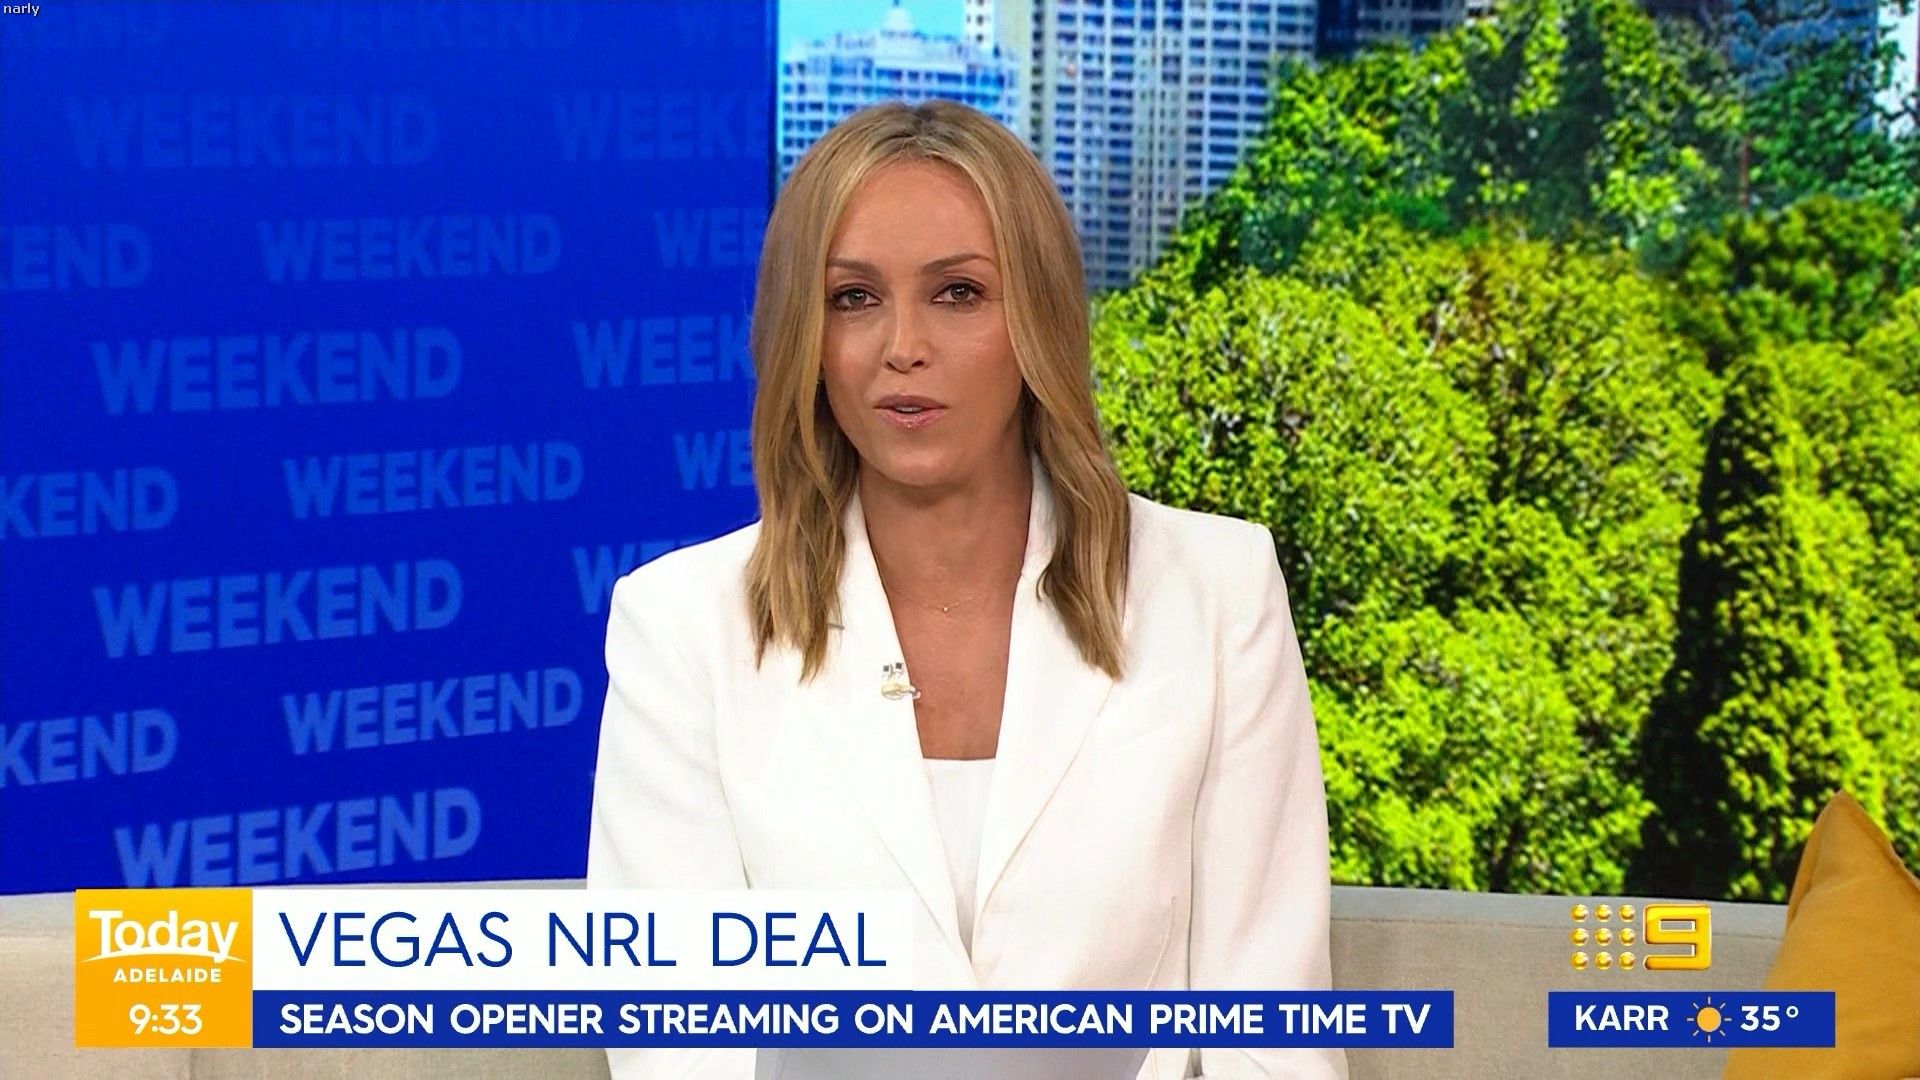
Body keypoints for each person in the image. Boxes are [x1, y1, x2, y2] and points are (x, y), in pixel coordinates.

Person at [587, 99, 1347, 1080]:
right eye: (854, 298)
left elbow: (1274, 1038)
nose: (903, 345)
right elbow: (683, 1047)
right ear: (804, 336)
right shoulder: (684, 626)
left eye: (958, 293)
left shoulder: (1215, 591)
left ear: (1037, 318)